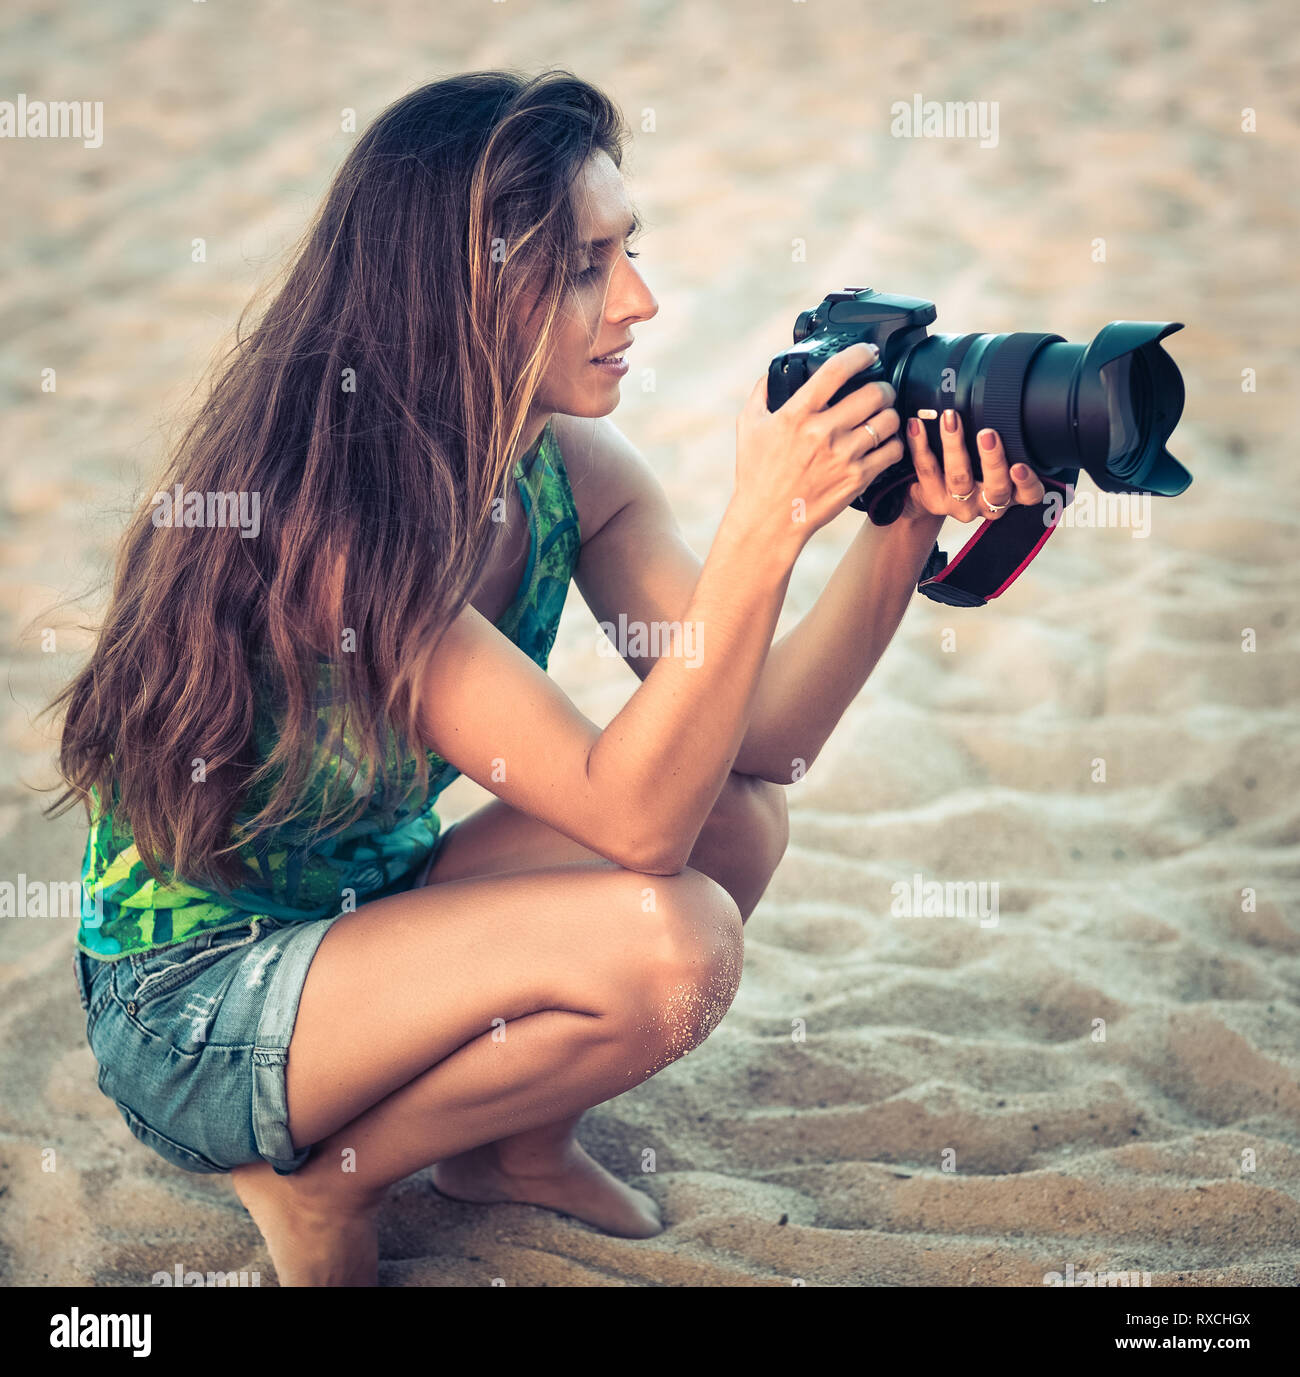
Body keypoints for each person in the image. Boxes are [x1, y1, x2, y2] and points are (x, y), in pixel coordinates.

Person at [49, 69, 1044, 1286]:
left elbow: (762, 742)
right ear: (455, 285)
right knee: (671, 945)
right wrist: (762, 531)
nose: (641, 301)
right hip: (198, 1008)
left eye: (629, 249)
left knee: (735, 818)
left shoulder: (564, 466)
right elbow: (629, 818)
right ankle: (323, 1182)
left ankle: (509, 1149)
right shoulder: (345, 526)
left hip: (366, 913)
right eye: (582, 266)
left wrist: (899, 530)